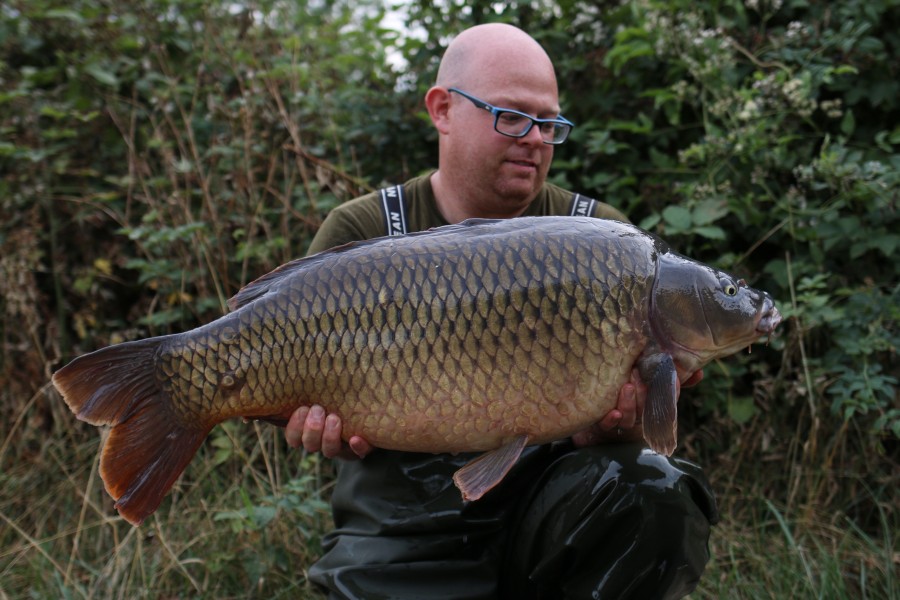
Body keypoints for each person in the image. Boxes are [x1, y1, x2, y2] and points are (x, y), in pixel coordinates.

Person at [284, 23, 718, 600]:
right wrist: (311, 424)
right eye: (510, 116)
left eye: (548, 124)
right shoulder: (363, 232)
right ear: (442, 110)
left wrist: (621, 424)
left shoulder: (604, 239)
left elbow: (640, 428)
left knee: (654, 491)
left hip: (557, 510)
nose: (535, 138)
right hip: (403, 529)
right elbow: (290, 393)